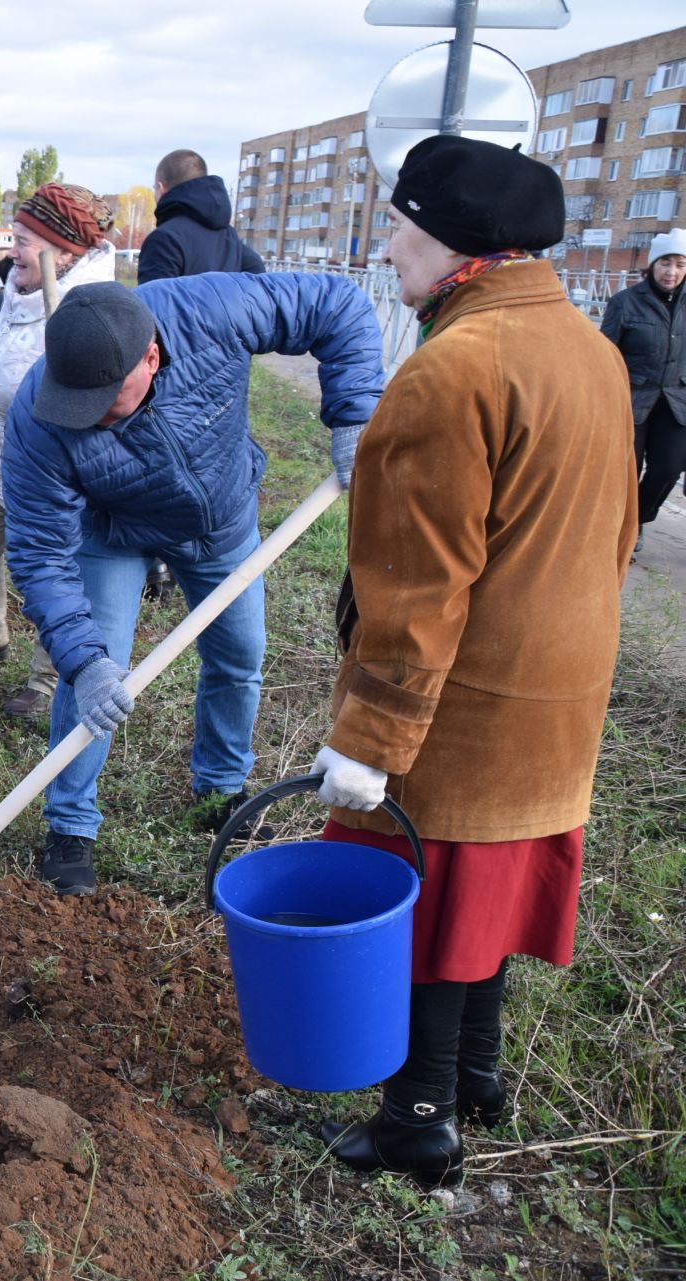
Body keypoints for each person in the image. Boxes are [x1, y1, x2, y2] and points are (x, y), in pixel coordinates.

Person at [310, 136, 637, 1189]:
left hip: (464, 706)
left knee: (431, 904)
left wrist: (368, 744)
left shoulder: (452, 369)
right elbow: (622, 532)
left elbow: (417, 591)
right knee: (487, 896)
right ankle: (480, 1076)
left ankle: (418, 1121)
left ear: (453, 243)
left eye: (400, 223)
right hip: (563, 691)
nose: (389, 243)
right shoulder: (589, 348)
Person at [3, 269, 382, 896]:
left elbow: (337, 304)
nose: (89, 418)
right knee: (97, 672)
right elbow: (41, 552)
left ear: (151, 357)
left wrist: (355, 416)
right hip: (115, 533)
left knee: (239, 658)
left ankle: (219, 794)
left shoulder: (211, 311)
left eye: (106, 400)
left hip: (221, 520)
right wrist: (83, 658)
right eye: (78, 402)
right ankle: (70, 826)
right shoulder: (40, 414)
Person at [0, 185, 116, 720]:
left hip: (58, 479)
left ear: (65, 251)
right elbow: (0, 370)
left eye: (26, 241)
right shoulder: (21, 290)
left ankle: (47, 681)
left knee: (52, 575)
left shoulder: (85, 311)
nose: (12, 251)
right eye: (15, 237)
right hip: (9, 463)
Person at [600, 226, 686, 548]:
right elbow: (605, 352)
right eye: (665, 263)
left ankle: (636, 520)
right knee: (626, 472)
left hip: (677, 402)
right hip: (632, 400)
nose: (672, 271)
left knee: (669, 467)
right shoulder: (625, 302)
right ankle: (621, 532)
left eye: (679, 264)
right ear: (652, 265)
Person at [137, 149, 264, 284]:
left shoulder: (163, 240)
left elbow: (152, 302)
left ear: (160, 187)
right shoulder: (230, 237)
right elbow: (258, 273)